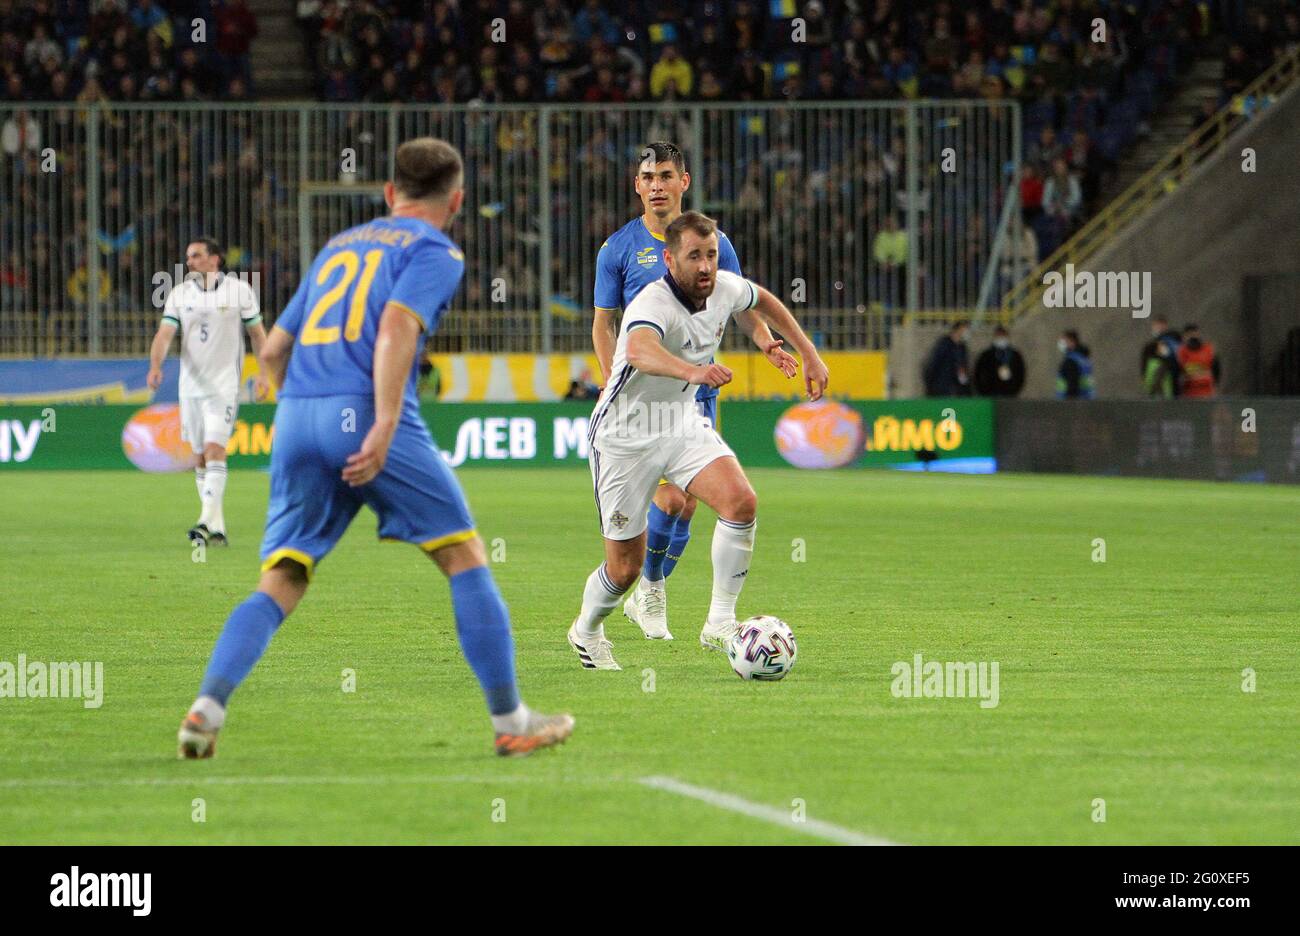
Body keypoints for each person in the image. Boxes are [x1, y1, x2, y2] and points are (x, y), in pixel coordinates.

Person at [176, 138, 573, 760]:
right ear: (458, 200)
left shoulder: (338, 246)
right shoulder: (435, 249)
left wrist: (300, 418)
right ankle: (511, 719)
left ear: (390, 193)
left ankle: (208, 706)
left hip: (299, 415)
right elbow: (394, 328)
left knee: (282, 575)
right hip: (365, 411)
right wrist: (384, 423)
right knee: (463, 556)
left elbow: (273, 351)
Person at [569, 211, 828, 669]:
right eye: (694, 257)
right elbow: (641, 350)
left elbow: (762, 299)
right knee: (623, 569)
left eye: (710, 255)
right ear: (670, 259)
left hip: (679, 421)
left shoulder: (723, 286)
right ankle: (586, 629)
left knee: (740, 502)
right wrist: (694, 371)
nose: (706, 266)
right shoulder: (653, 302)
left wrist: (804, 350)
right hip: (623, 435)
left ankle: (720, 623)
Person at [590, 141, 792, 640]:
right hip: (645, 399)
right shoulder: (617, 249)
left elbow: (742, 305)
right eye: (648, 177)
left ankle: (656, 592)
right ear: (636, 186)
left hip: (698, 393)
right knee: (672, 501)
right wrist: (610, 382)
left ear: (685, 183)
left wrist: (767, 343)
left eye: (666, 175)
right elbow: (603, 325)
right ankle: (651, 591)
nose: (657, 185)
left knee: (691, 503)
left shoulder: (713, 243)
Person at [147, 238, 268, 546]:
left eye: (197, 255)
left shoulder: (239, 291)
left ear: (215, 259)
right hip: (190, 388)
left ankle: (203, 522)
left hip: (225, 386)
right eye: (188, 256)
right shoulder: (179, 293)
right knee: (200, 458)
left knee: (215, 449)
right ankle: (217, 527)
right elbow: (164, 333)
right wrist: (155, 365)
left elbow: (257, 333)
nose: (189, 261)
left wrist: (265, 374)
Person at [973, 325, 1026, 396]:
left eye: (1003, 335)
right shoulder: (986, 355)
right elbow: (978, 373)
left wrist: (1015, 390)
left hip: (1010, 393)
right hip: (991, 393)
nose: (1001, 338)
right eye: (998, 335)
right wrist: (983, 391)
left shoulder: (1015, 355)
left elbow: (1020, 374)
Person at [923, 320, 971, 396]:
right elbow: (934, 364)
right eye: (965, 330)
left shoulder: (962, 347)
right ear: (958, 330)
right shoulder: (944, 344)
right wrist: (931, 385)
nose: (966, 332)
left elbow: (963, 366)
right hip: (942, 386)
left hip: (957, 387)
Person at [1140, 315, 1181, 398]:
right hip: (1163, 383)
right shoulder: (1173, 341)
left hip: (1165, 384)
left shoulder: (1166, 342)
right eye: (1155, 326)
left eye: (1158, 326)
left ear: (1164, 326)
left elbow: (1169, 361)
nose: (1156, 328)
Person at [1177, 323, 1220, 397]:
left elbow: (1216, 368)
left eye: (1194, 334)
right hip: (1189, 392)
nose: (1192, 337)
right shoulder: (1182, 351)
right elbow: (1179, 369)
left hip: (1206, 391)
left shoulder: (1208, 349)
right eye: (1189, 335)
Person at [1055, 329, 1095, 399]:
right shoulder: (1083, 360)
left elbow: (1072, 386)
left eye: (1064, 341)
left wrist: (1070, 404)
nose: (1061, 343)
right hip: (1087, 400)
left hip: (1072, 404)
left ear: (1072, 342)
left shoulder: (1071, 361)